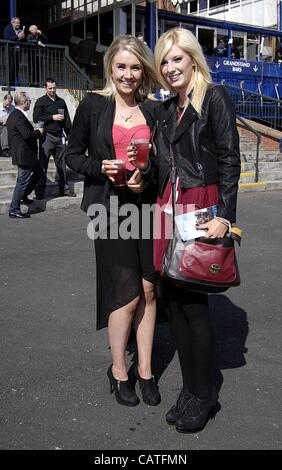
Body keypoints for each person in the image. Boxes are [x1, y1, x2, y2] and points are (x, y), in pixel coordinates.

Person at [130, 28, 241, 432]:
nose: (170, 67)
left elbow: (230, 160)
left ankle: (204, 392)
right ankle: (190, 391)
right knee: (174, 303)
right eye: (164, 61)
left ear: (193, 59)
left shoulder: (214, 98)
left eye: (177, 58)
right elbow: (161, 167)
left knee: (195, 305)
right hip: (167, 210)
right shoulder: (164, 110)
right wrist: (142, 169)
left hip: (200, 208)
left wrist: (225, 216)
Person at [65, 35, 161, 407]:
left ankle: (146, 370)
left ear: (143, 71)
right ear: (110, 68)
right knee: (125, 293)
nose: (128, 74)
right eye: (121, 66)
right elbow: (72, 155)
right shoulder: (92, 105)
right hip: (109, 210)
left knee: (150, 290)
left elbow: (161, 163)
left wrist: (145, 174)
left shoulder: (154, 110)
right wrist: (99, 167)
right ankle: (119, 370)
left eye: (135, 67)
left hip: (148, 208)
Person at [33, 78, 76, 199]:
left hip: (59, 136)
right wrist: (52, 117)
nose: (52, 90)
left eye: (54, 88)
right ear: (45, 88)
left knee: (61, 165)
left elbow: (67, 119)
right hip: (46, 136)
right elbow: (36, 117)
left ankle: (64, 189)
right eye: (50, 88)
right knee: (43, 164)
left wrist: (69, 135)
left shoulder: (61, 101)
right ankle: (40, 192)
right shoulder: (41, 101)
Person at [7, 91, 44, 218]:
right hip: (24, 155)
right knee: (22, 182)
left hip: (27, 155)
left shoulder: (16, 115)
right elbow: (27, 135)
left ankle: (24, 195)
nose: (30, 103)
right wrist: (38, 131)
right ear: (24, 102)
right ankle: (14, 209)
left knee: (39, 173)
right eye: (29, 101)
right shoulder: (18, 116)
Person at [3, 17, 26, 85]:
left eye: (19, 23)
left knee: (16, 67)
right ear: (12, 23)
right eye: (17, 23)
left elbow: (23, 41)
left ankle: (12, 82)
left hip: (18, 51)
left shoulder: (20, 30)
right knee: (11, 66)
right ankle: (8, 83)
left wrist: (23, 37)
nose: (18, 24)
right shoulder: (7, 28)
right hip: (10, 50)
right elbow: (7, 38)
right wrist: (17, 37)